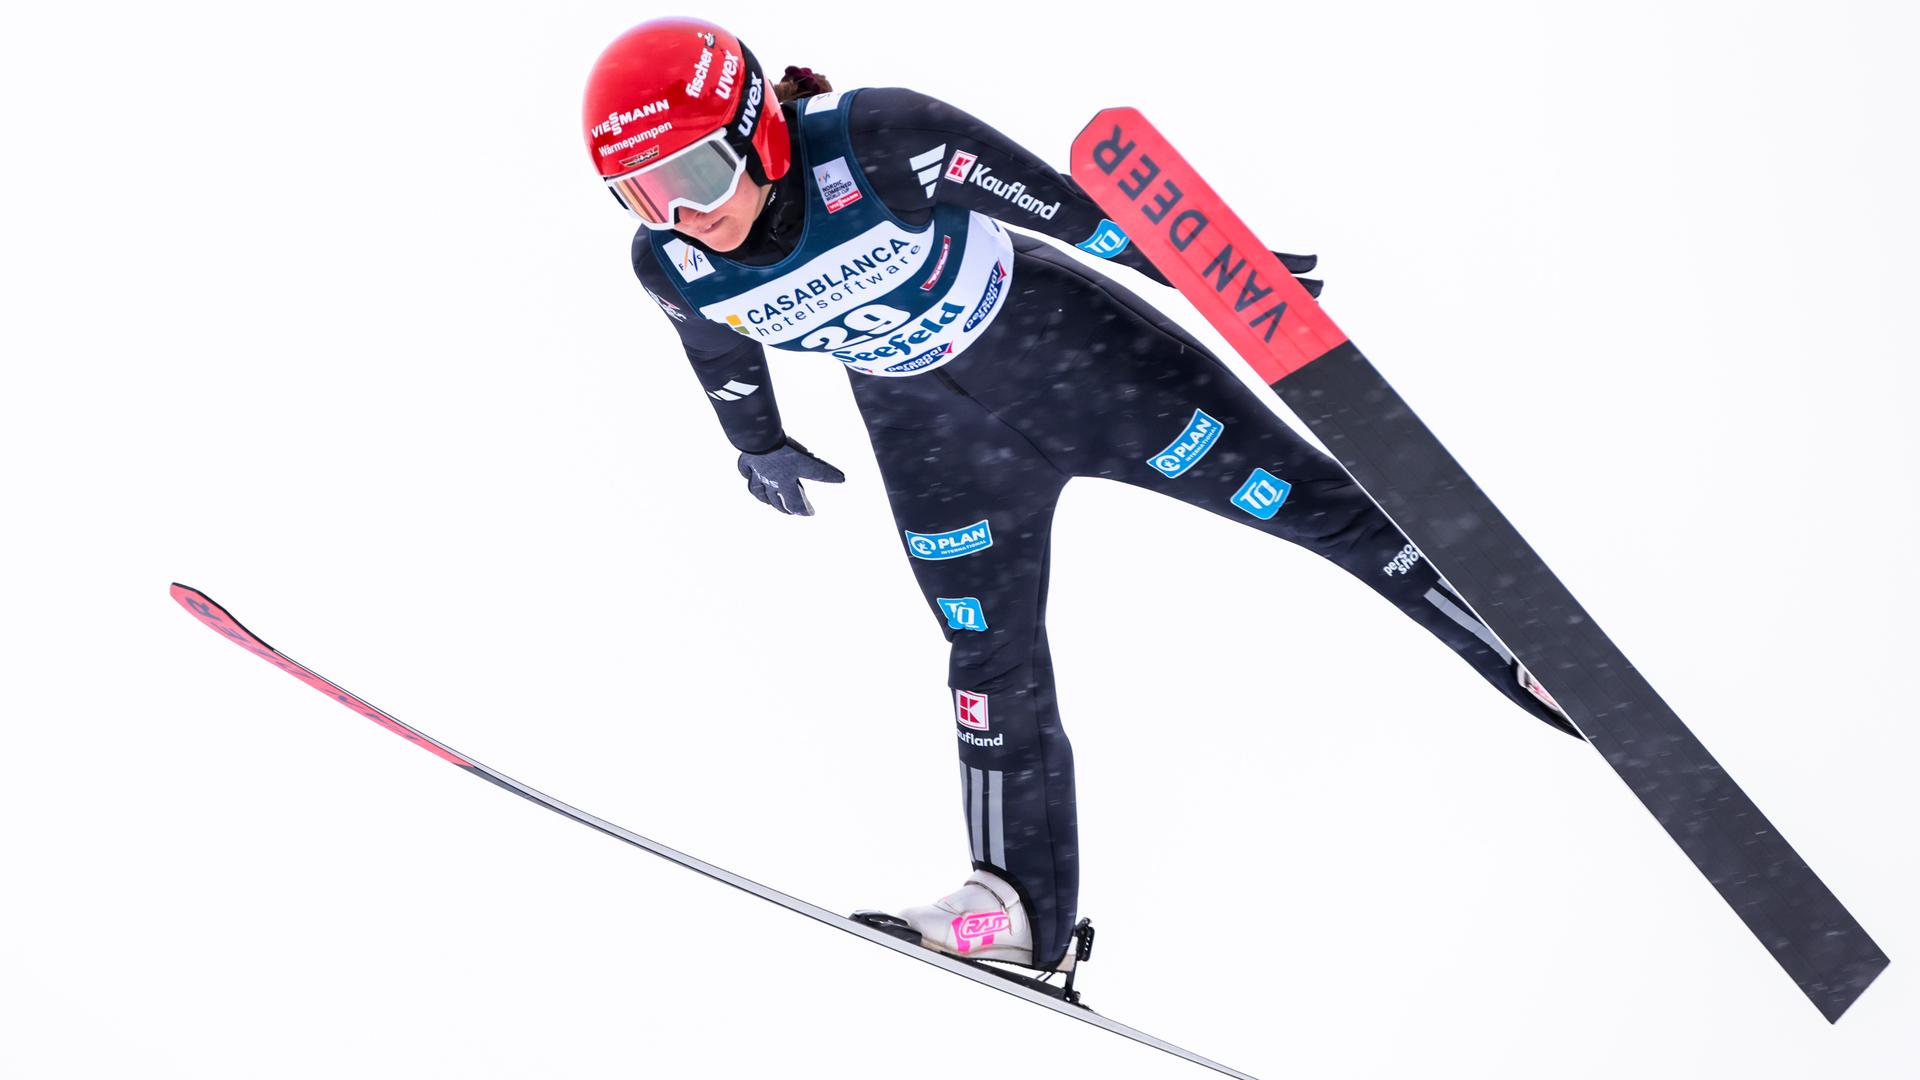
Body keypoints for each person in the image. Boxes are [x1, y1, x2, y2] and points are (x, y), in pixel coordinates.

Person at [583, 17, 1578, 975]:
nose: (681, 215)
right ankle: (1018, 907)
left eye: (693, 177)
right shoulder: (670, 263)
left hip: (1084, 370)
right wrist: (757, 445)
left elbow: (1075, 213)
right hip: (937, 447)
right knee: (986, 659)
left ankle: (1522, 648)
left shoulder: (882, 140)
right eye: (639, 194)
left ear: (758, 129)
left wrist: (1220, 273)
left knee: (1313, 506)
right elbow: (719, 356)